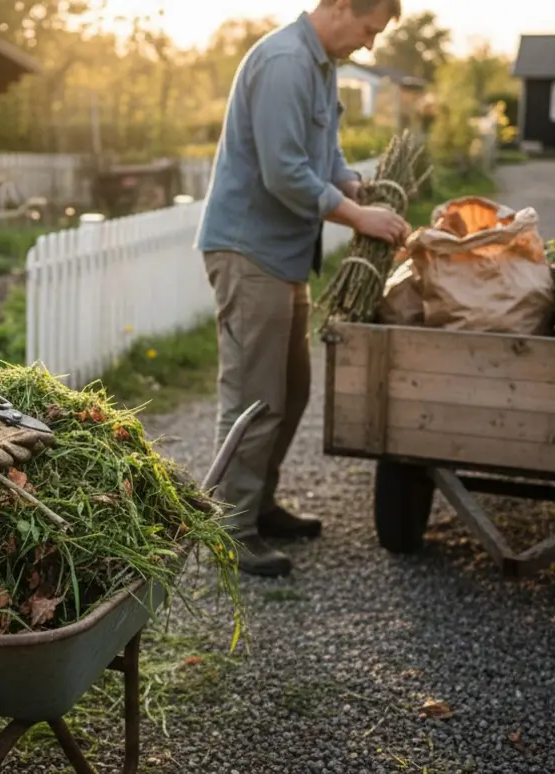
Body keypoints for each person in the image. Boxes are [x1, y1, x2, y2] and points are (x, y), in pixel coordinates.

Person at [195, 0, 410, 578]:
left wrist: (350, 184)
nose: (369, 44)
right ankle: (228, 530)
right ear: (341, 7)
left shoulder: (321, 65)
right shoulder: (285, 61)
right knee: (253, 399)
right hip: (248, 251)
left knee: (292, 391)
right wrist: (357, 219)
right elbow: (284, 170)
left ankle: (258, 507)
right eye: (369, 29)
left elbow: (323, 153)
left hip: (283, 256)